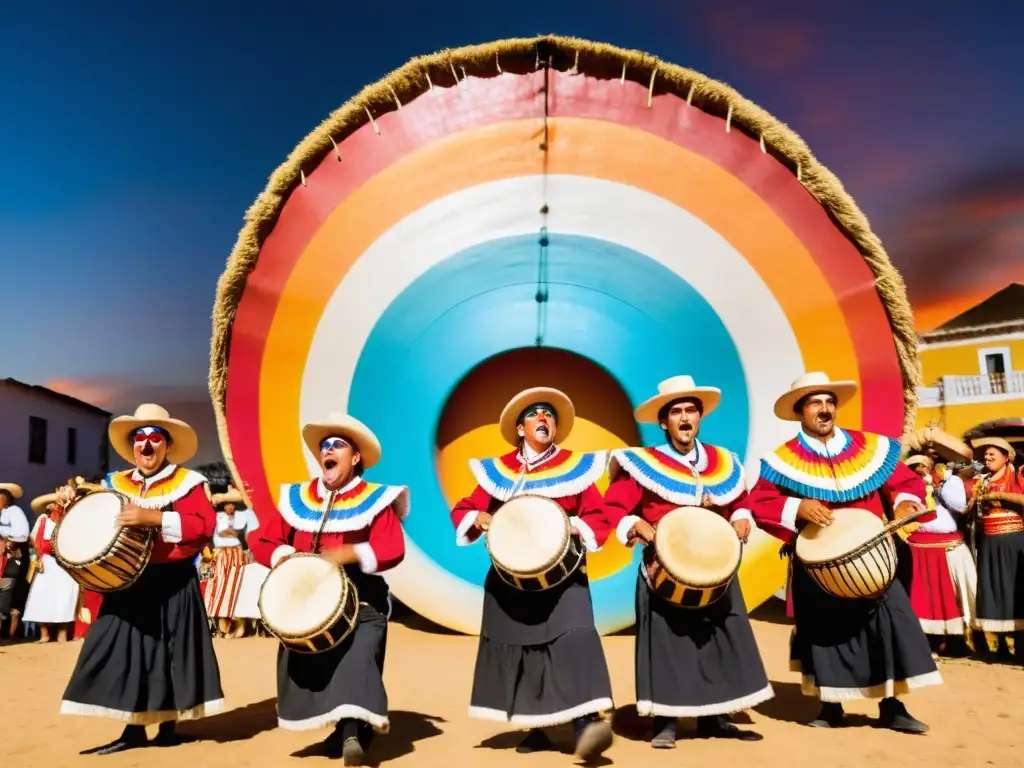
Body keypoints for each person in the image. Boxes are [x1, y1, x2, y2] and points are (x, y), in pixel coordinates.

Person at [745, 372, 941, 732]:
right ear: (800, 412)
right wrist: (797, 508)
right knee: (824, 630)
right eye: (815, 403)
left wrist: (904, 504)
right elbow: (760, 503)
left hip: (875, 556)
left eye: (829, 402)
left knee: (889, 625)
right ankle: (830, 705)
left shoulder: (872, 448)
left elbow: (905, 483)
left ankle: (892, 705)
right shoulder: (781, 460)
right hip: (817, 559)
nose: (824, 409)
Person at [600, 376, 773, 748]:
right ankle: (666, 721)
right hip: (664, 568)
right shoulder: (642, 464)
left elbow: (739, 499)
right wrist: (636, 524)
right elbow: (613, 509)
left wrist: (741, 515)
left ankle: (715, 715)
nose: (684, 418)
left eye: (690, 410)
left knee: (717, 638)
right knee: (668, 644)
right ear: (664, 423)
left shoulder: (724, 462)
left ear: (699, 418)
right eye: (675, 412)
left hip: (715, 568)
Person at [450, 387, 616, 760]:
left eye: (549, 414)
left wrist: (571, 526)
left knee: (576, 638)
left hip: (564, 576)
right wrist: (478, 516)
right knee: (526, 648)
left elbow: (599, 518)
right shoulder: (499, 472)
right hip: (512, 580)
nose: (544, 418)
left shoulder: (577, 468)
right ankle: (539, 725)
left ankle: (587, 723)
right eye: (534, 413)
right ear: (521, 429)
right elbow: (465, 509)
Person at [59, 404, 224, 754]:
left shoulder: (190, 483)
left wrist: (155, 517)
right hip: (128, 582)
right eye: (139, 438)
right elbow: (91, 520)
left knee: (170, 653)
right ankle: (132, 730)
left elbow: (204, 527)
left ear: (167, 445)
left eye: (154, 437)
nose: (146, 445)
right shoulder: (113, 483)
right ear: (132, 445)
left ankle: (167, 723)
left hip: (174, 579)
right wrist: (66, 504)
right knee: (119, 649)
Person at [249, 413, 408, 766]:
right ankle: (346, 728)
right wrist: (284, 554)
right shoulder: (297, 498)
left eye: (338, 445)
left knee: (356, 658)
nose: (329, 450)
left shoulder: (376, 499)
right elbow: (261, 538)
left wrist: (351, 552)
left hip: (363, 598)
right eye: (325, 446)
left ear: (355, 458)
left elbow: (392, 548)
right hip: (310, 603)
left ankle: (351, 732)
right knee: (319, 664)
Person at [902, 455, 976, 652]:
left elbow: (960, 506)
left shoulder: (950, 481)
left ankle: (955, 640)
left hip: (949, 544)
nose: (921, 468)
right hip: (918, 545)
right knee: (922, 595)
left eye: (925, 463)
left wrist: (939, 486)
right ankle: (926, 642)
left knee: (953, 595)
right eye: (915, 465)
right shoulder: (905, 486)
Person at [966, 437, 1023, 652]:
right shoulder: (982, 480)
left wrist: (999, 495)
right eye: (986, 455)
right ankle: (996, 646)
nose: (987, 458)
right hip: (989, 541)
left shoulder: (1018, 475)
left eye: (993, 454)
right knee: (993, 589)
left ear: (1006, 457)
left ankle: (1020, 645)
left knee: (1015, 590)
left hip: (1014, 540)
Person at [22, 491, 80, 642]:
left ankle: (62, 634)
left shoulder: (70, 520)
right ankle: (44, 634)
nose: (56, 506)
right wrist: (37, 558)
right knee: (41, 596)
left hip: (65, 563)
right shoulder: (43, 520)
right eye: (54, 503)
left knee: (65, 596)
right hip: (46, 562)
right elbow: (34, 541)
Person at [204, 486, 260, 637]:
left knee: (238, 587)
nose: (229, 506)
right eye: (227, 504)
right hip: (221, 554)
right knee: (220, 587)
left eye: (232, 504)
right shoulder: (218, 517)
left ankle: (241, 624)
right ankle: (224, 625)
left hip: (237, 554)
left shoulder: (242, 516)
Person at [0, 482, 30, 638]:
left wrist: (8, 543)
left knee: (6, 590)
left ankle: (8, 626)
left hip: (9, 557)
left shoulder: (14, 511)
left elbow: (22, 534)